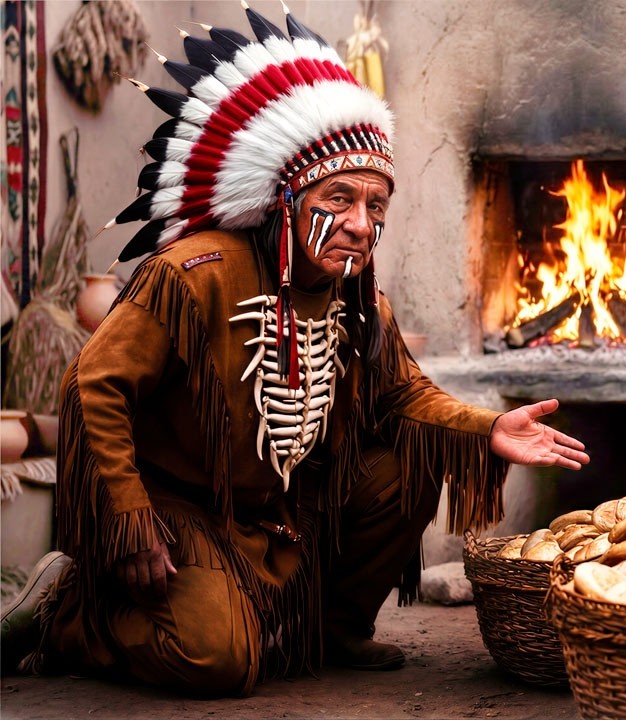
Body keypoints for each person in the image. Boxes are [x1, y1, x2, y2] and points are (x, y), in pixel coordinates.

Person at [0, 3, 588, 697]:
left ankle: (331, 627)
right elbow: (92, 385)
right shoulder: (196, 275)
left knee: (406, 460)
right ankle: (73, 614)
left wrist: (490, 428)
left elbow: (404, 396)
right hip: (179, 509)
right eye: (339, 198)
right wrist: (127, 516)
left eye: (376, 207)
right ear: (285, 200)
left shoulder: (363, 302)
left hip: (281, 511)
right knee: (219, 661)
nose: (360, 224)